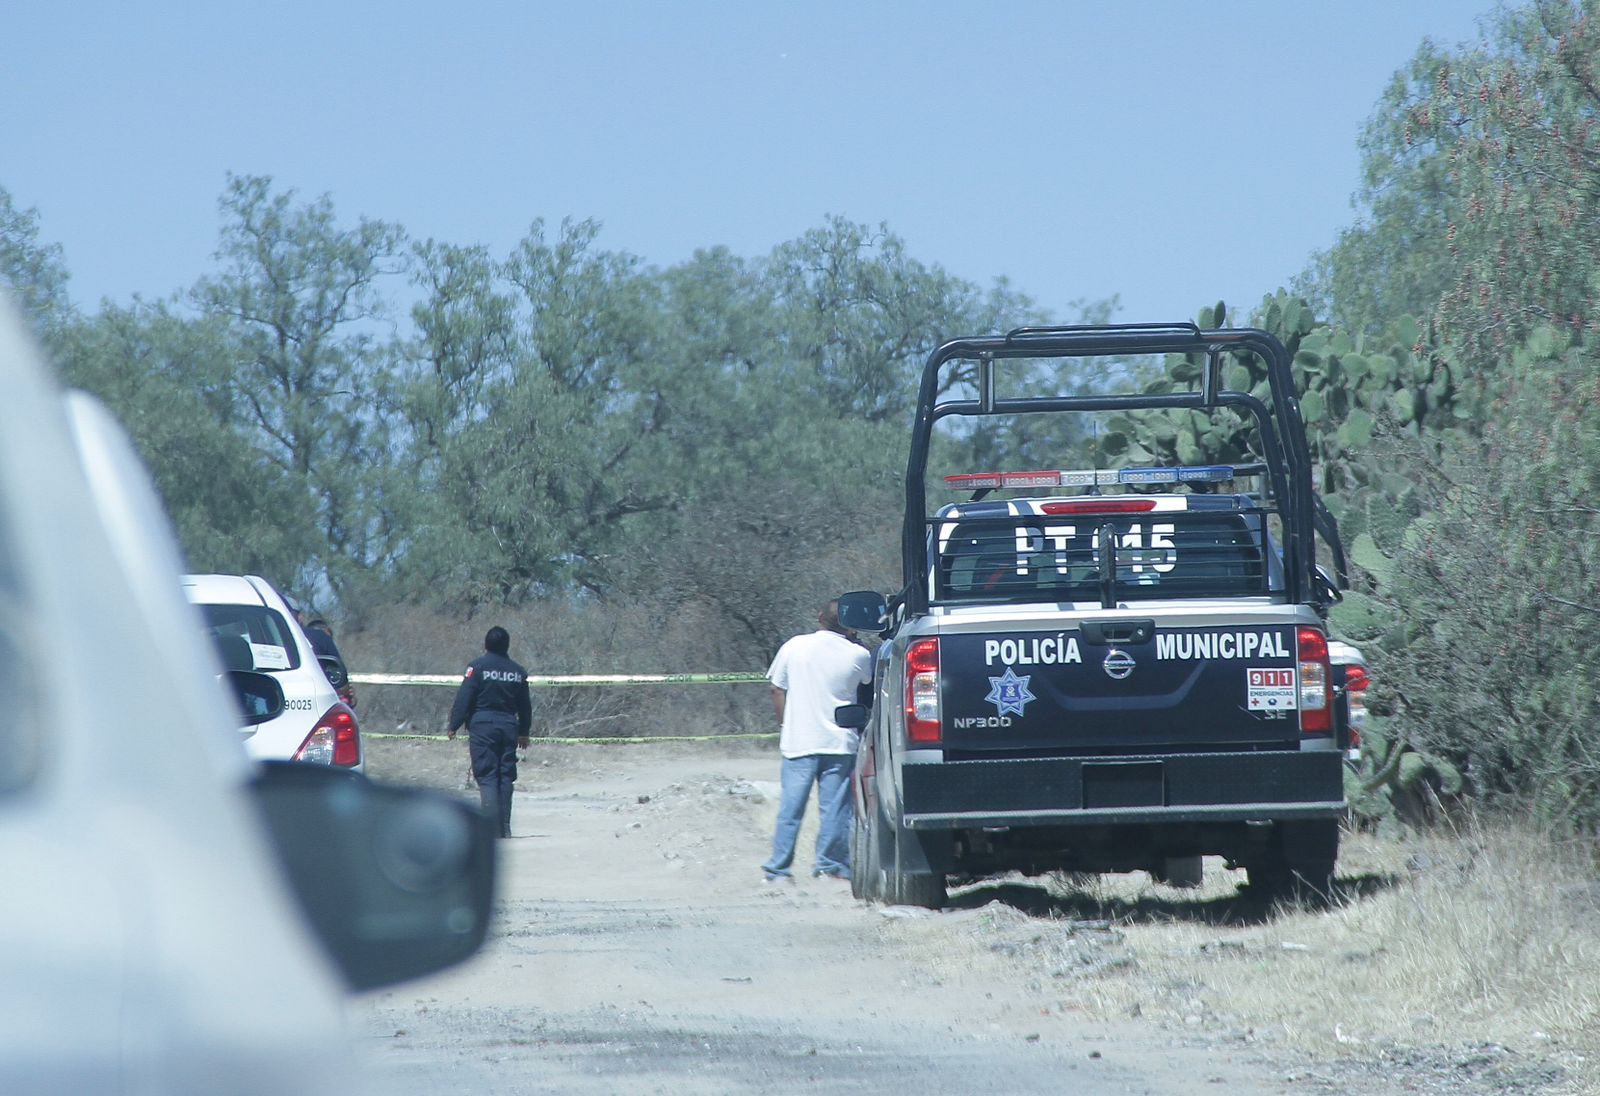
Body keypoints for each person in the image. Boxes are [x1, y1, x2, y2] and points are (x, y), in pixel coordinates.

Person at [761, 599, 873, 883]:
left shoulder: (794, 646)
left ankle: (778, 870)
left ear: (820, 618)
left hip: (799, 742)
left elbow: (776, 688)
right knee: (836, 810)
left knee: (790, 809)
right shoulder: (859, 655)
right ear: (850, 625)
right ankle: (830, 868)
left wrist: (785, 724)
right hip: (840, 742)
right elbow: (866, 688)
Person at [447, 626, 532, 839]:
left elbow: (464, 697)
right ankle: (504, 827)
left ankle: (489, 827)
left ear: (486, 645)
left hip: (483, 725)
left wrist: (454, 724)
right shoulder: (518, 672)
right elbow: (525, 705)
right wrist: (524, 731)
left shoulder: (477, 668)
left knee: (487, 775)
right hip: (508, 726)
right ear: (507, 645)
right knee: (505, 776)